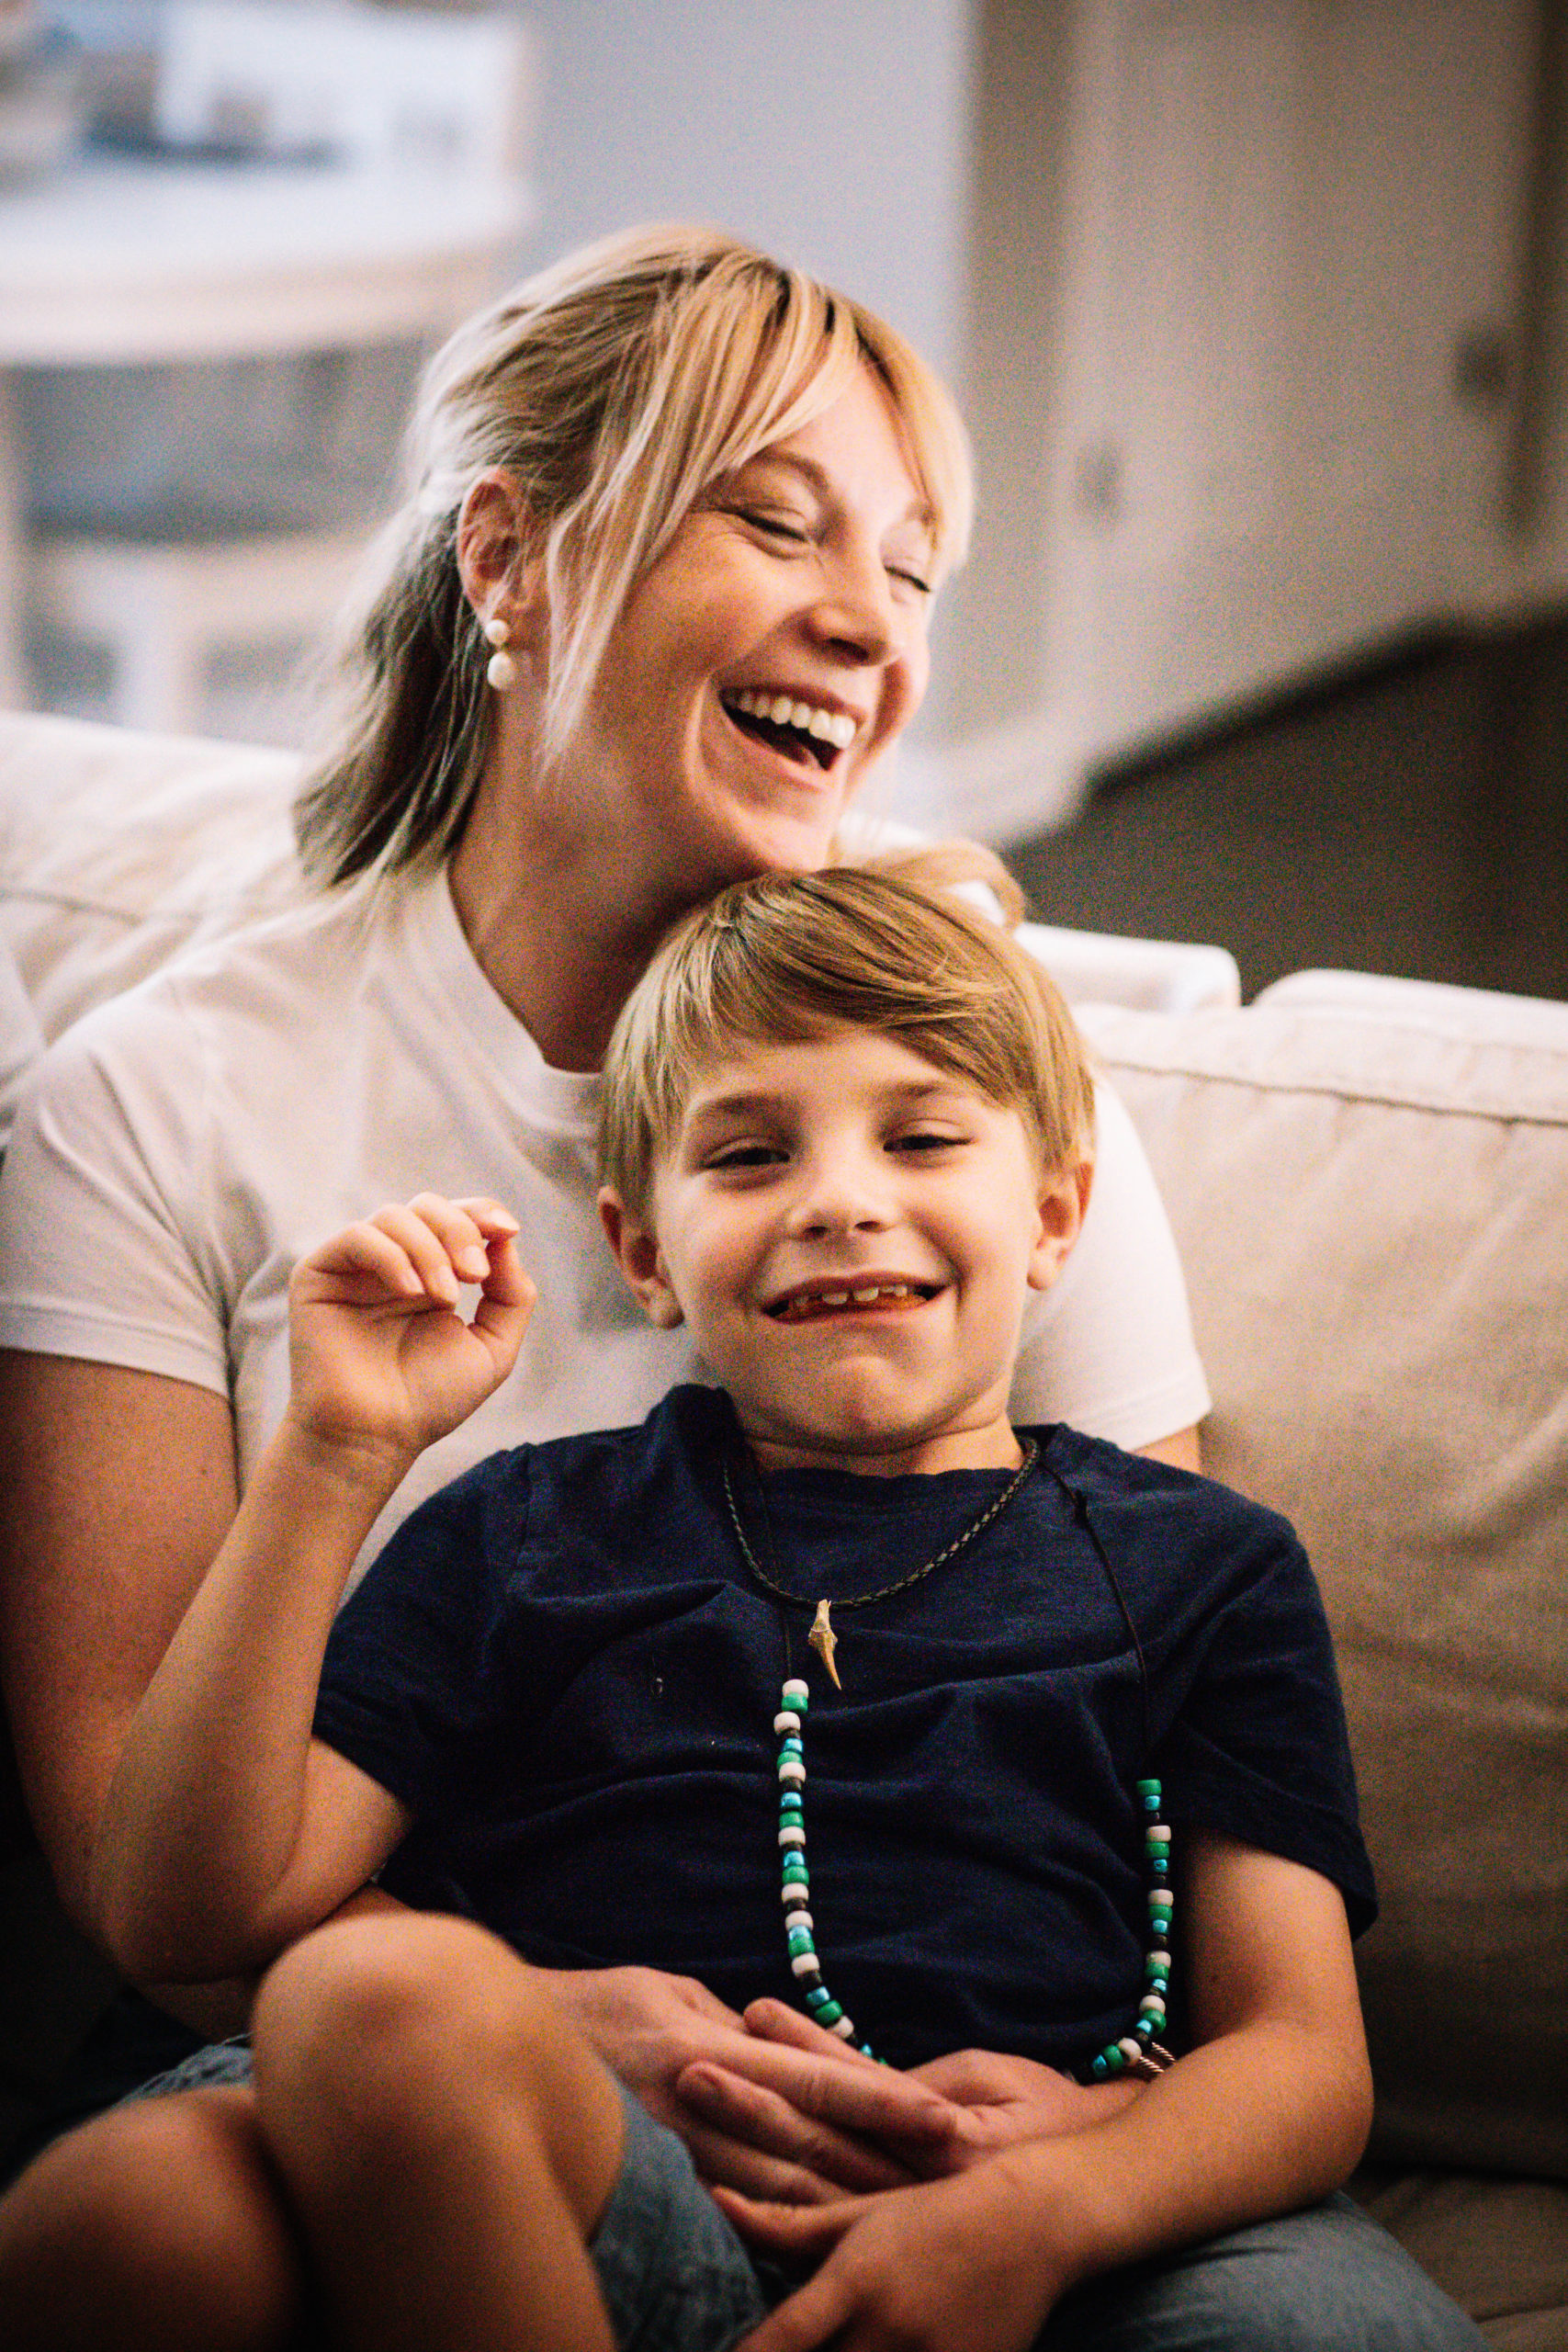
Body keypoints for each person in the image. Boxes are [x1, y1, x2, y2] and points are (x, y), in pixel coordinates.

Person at [0, 227, 1209, 2175]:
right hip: (386, 2056)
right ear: (507, 559)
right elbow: (136, 1870)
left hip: (965, 2090)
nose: (866, 626)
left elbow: (1181, 1699)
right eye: (776, 523)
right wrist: (500, 2019)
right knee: (143, 2226)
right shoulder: (152, 1103)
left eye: (904, 571)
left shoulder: (971, 1086)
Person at [0, 868, 1483, 2351]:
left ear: (1053, 1219)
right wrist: (332, 1458)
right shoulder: (522, 1527)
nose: (843, 1200)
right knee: (187, 2164)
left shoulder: (1200, 1562)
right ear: (643, 1252)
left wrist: (1041, 2209)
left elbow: (1300, 2056)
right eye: (753, 1155)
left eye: (920, 1137)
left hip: (1066, 2210)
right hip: (593, 2193)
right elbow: (184, 1908)